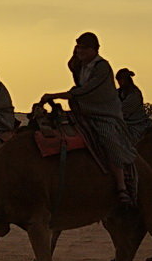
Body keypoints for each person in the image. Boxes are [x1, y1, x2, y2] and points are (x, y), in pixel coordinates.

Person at [40, 32, 136, 204]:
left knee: (108, 139)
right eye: (78, 47)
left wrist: (58, 95)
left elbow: (87, 90)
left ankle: (122, 185)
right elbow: (73, 68)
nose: (80, 51)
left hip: (103, 114)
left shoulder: (102, 67)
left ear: (95, 49)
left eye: (84, 48)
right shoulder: (81, 67)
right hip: (82, 111)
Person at [116, 68, 152, 146]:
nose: (120, 82)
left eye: (121, 80)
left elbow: (123, 110)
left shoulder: (135, 94)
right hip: (122, 122)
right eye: (119, 80)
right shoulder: (118, 92)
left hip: (136, 123)